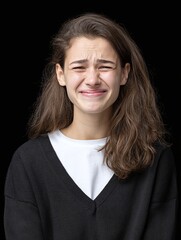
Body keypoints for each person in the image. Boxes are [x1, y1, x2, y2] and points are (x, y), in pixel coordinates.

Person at [4, 12, 178, 240]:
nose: (93, 79)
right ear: (61, 74)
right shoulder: (27, 162)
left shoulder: (155, 159)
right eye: (79, 67)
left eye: (104, 66)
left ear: (124, 74)